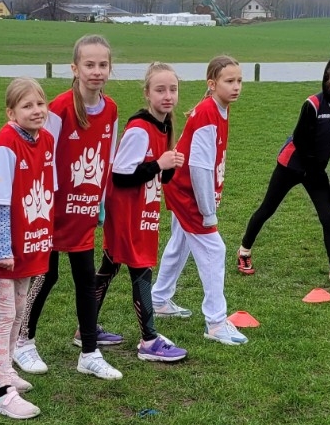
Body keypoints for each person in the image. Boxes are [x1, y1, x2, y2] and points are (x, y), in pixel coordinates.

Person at [17, 35, 121, 381]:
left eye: (103, 64)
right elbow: (43, 159)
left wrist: (100, 201)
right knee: (46, 276)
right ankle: (22, 341)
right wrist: (43, 207)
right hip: (51, 212)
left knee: (85, 279)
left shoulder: (111, 109)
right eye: (89, 65)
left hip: (84, 211)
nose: (96, 71)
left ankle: (89, 352)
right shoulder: (59, 108)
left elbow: (108, 157)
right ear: (75, 68)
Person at [237, 54, 330, 290]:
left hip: (316, 170)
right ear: (327, 80)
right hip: (292, 164)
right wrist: (314, 172)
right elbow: (302, 143)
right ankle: (244, 251)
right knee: (267, 209)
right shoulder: (312, 104)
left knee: (328, 217)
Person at [93, 62, 188, 362]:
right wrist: (159, 164)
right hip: (127, 211)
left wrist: (170, 165)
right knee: (141, 268)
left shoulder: (166, 124)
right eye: (160, 90)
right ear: (147, 93)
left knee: (110, 265)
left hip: (143, 209)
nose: (167, 96)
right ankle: (149, 340)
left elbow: (160, 176)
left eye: (173, 89)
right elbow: (121, 175)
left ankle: (86, 329)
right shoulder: (139, 128)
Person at [153, 55, 250, 343]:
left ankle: (158, 300)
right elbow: (199, 167)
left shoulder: (218, 108)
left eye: (239, 81)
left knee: (180, 244)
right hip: (187, 193)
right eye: (229, 81)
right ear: (212, 84)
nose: (236, 86)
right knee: (215, 249)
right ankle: (216, 323)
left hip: (184, 189)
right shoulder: (208, 113)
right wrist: (208, 211)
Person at [0, 78, 56, 420]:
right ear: (11, 113)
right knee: (5, 313)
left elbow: (46, 189)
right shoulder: (5, 144)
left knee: (21, 311)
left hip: (30, 242)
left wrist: (45, 234)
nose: (36, 110)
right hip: (2, 249)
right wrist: (4, 249)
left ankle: (7, 368)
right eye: (27, 106)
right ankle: (1, 389)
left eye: (40, 103)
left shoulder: (46, 139)